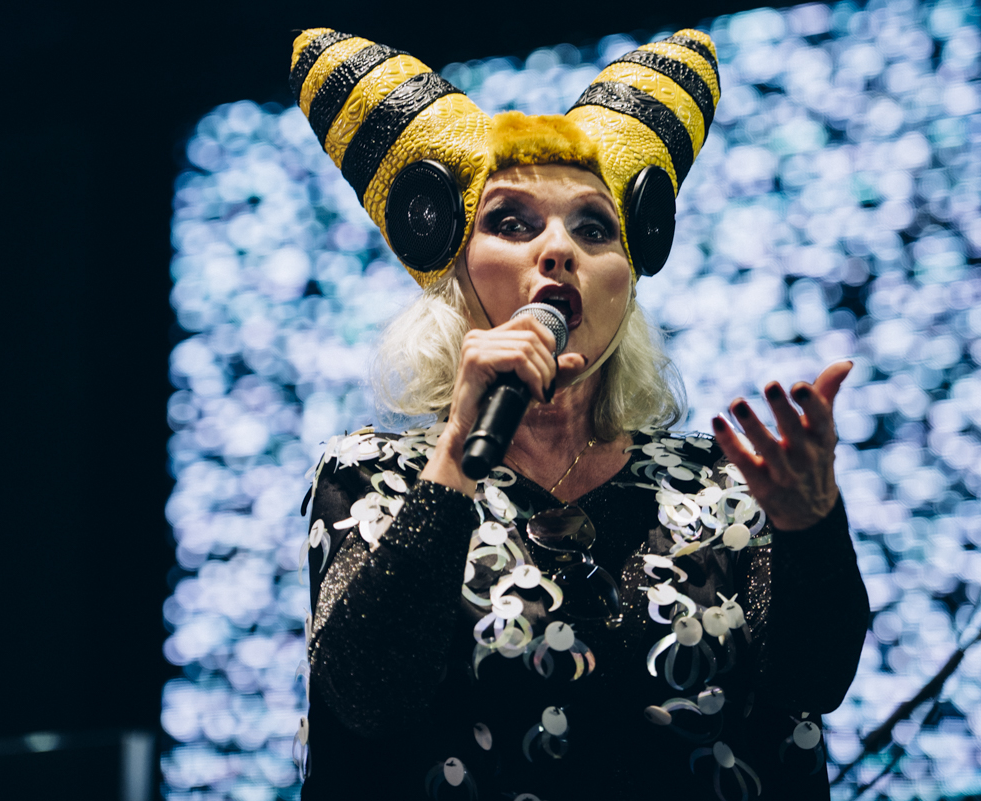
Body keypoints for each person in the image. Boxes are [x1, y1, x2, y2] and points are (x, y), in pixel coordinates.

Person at [289, 27, 869, 800]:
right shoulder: (373, 476)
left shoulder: (728, 483)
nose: (558, 249)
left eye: (594, 228)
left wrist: (813, 531)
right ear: (457, 271)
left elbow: (812, 682)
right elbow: (367, 696)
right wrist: (458, 454)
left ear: (626, 283)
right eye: (512, 223)